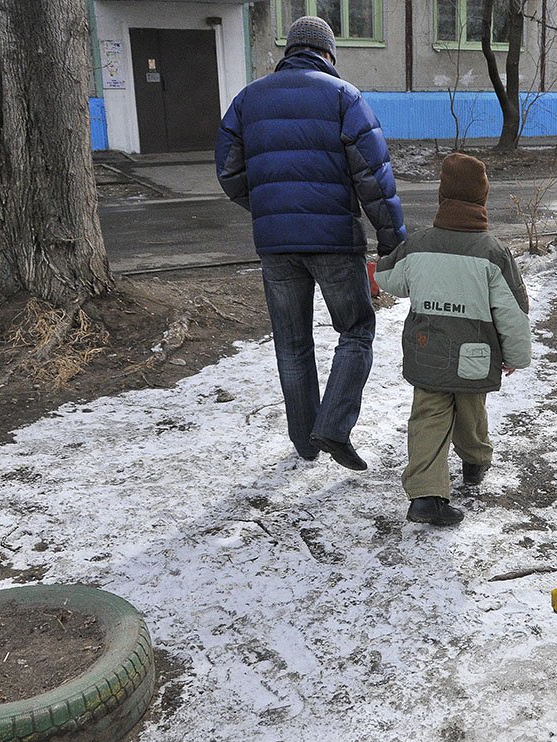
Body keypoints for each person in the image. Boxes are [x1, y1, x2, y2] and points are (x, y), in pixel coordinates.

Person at [215, 16, 405, 471]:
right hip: (335, 242)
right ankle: (334, 427)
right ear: (328, 53)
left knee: (292, 343)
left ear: (290, 51)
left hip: (276, 246)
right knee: (356, 330)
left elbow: (228, 172)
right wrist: (391, 239)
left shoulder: (247, 100)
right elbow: (373, 178)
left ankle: (304, 440)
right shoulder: (344, 97)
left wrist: (269, 209)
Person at [374, 154, 531, 525]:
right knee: (471, 411)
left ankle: (426, 496)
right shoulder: (493, 252)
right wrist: (515, 356)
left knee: (428, 415)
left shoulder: (419, 244)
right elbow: (513, 311)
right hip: (474, 354)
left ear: (443, 196)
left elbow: (387, 279)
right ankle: (475, 463)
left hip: (427, 348)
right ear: (482, 199)